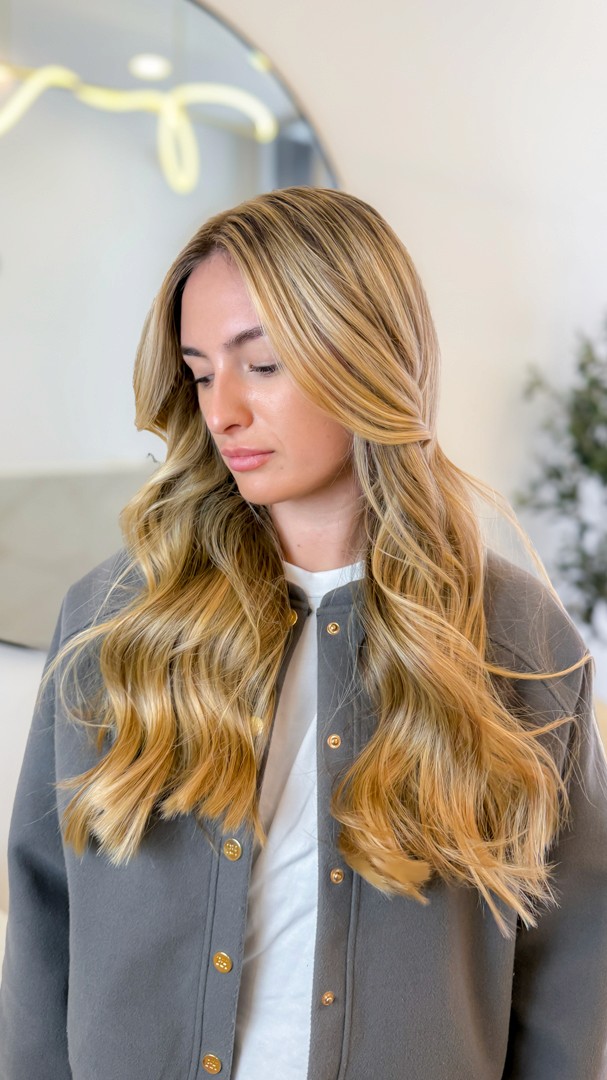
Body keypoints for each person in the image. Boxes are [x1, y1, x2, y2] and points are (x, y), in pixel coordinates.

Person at [1, 186, 606, 1080]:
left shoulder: (511, 639)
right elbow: (42, 932)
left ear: (361, 353)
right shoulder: (113, 622)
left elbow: (567, 977)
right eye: (202, 371)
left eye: (263, 364)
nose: (223, 412)